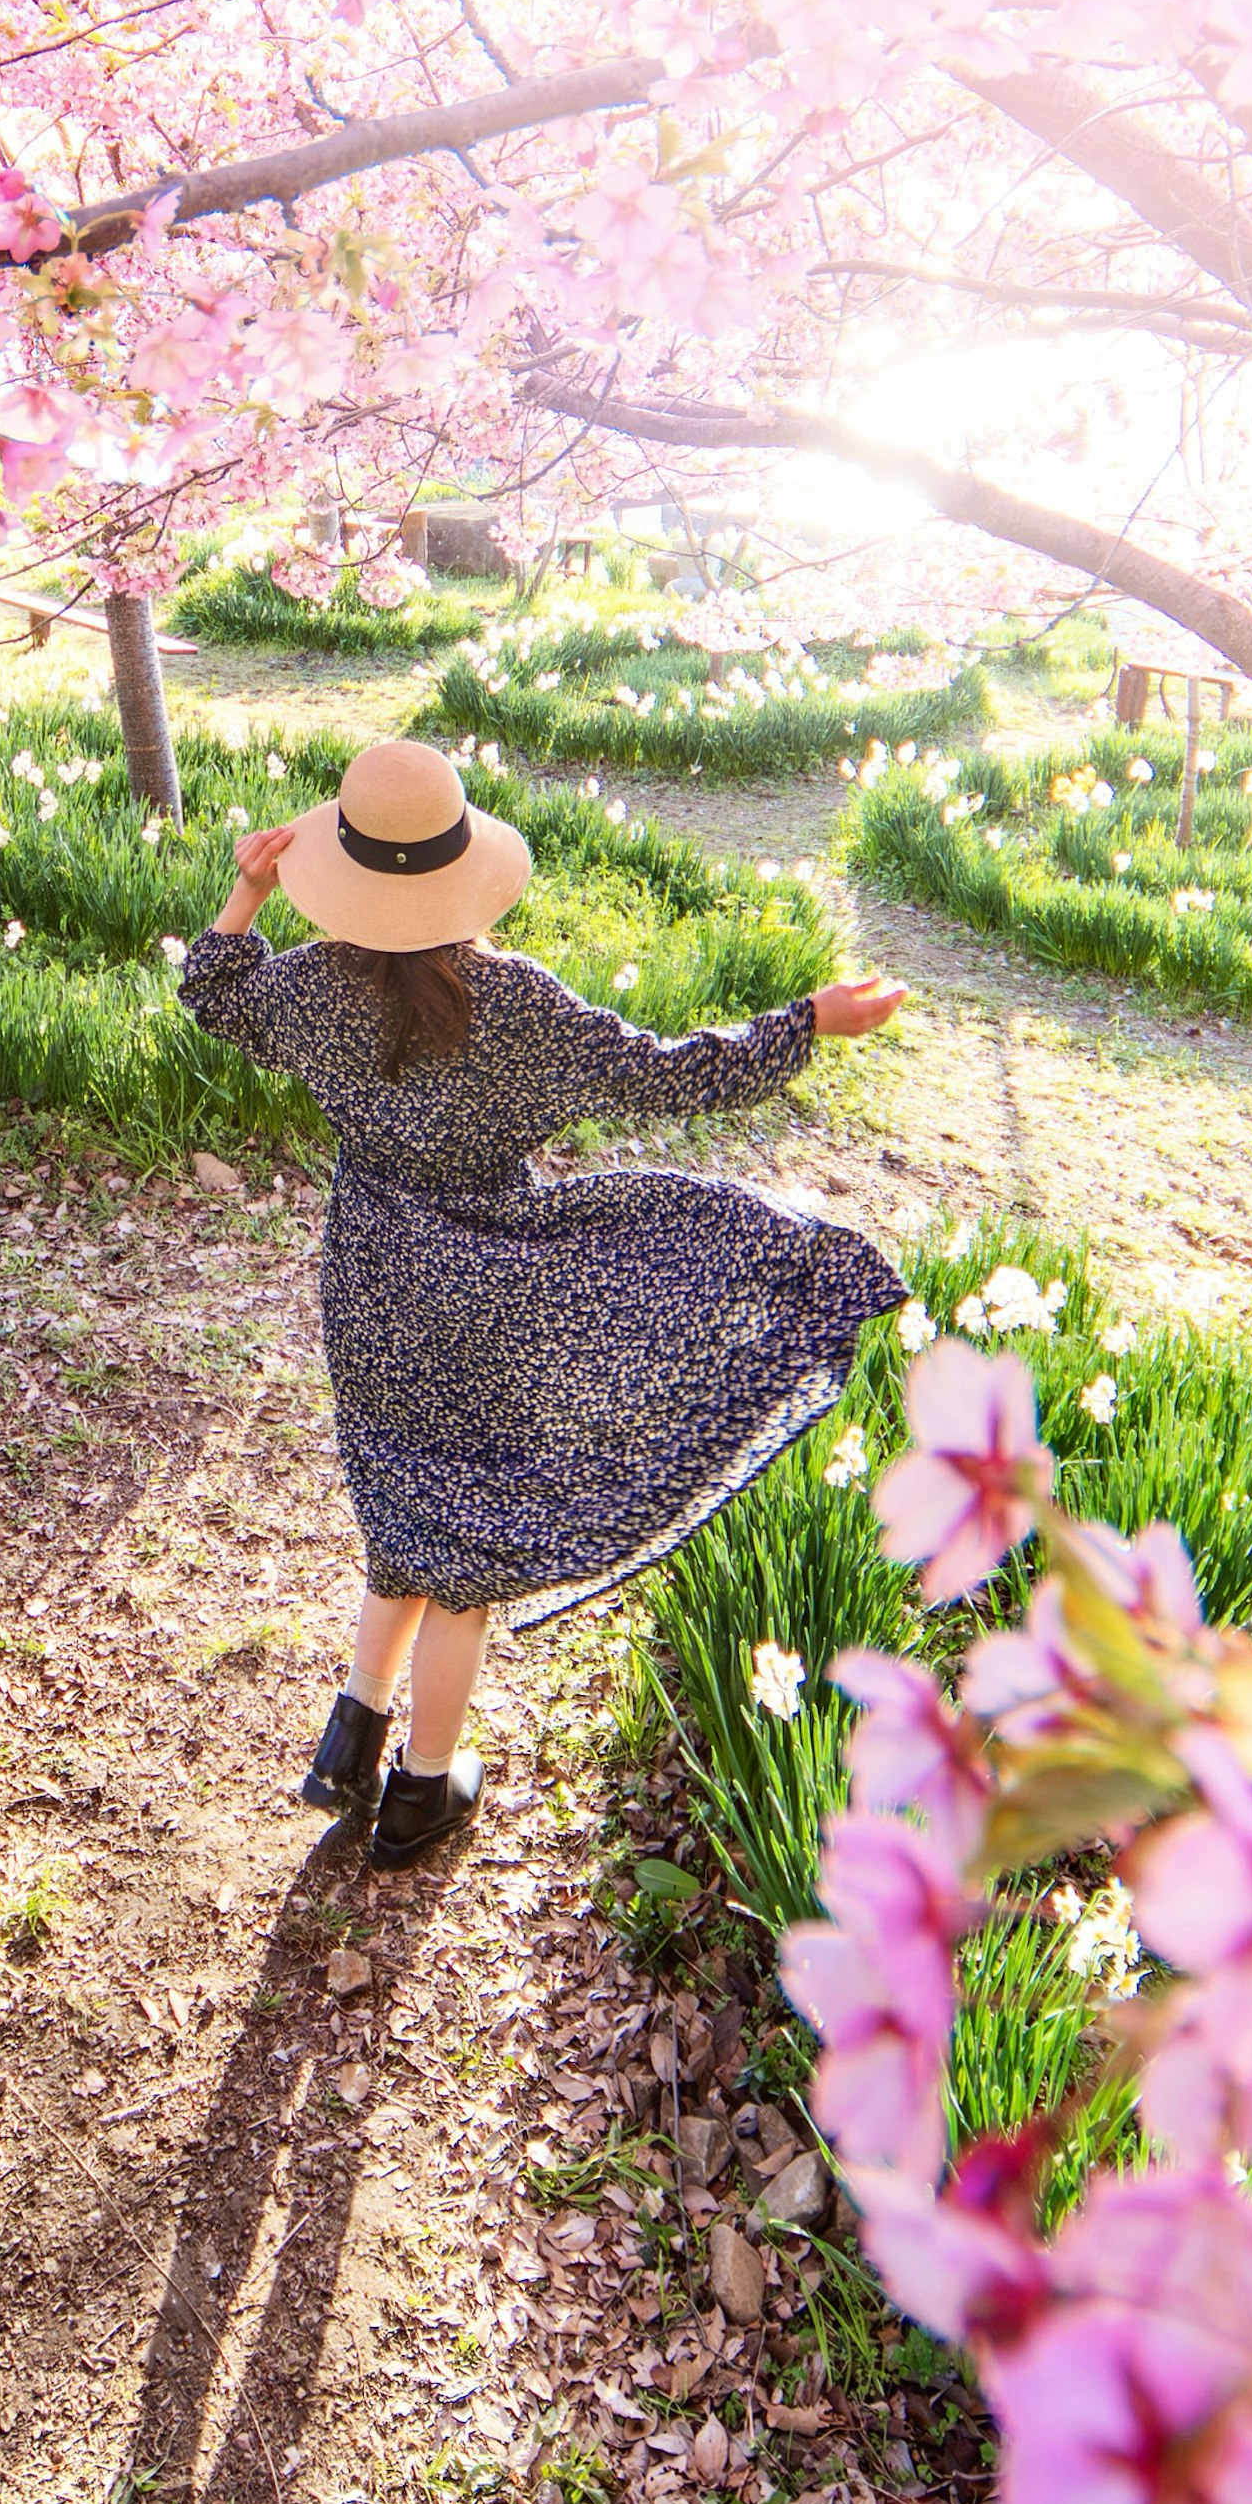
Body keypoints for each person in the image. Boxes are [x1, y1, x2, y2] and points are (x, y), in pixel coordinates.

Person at [177, 732, 911, 1866]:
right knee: (463, 1533)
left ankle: (351, 1734)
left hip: (369, 1270)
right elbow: (678, 1074)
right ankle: (423, 1787)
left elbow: (212, 993)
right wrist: (807, 1021)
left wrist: (247, 886)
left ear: (348, 869)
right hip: (494, 1283)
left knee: (401, 1486)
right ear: (463, 864)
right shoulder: (516, 1004)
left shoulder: (307, 989)